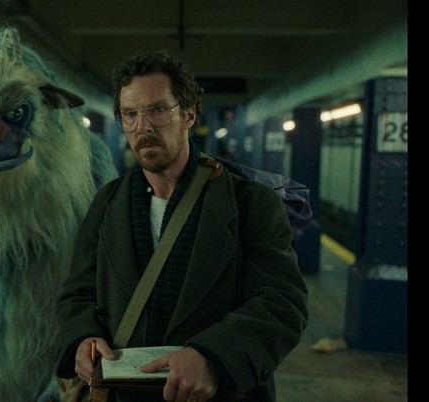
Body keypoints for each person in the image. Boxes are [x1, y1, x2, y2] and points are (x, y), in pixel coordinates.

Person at [54, 50, 309, 402]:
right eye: (130, 114)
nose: (142, 127)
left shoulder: (249, 203)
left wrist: (214, 357)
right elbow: (78, 294)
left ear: (189, 115)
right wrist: (82, 339)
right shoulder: (107, 204)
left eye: (158, 110)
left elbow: (281, 302)